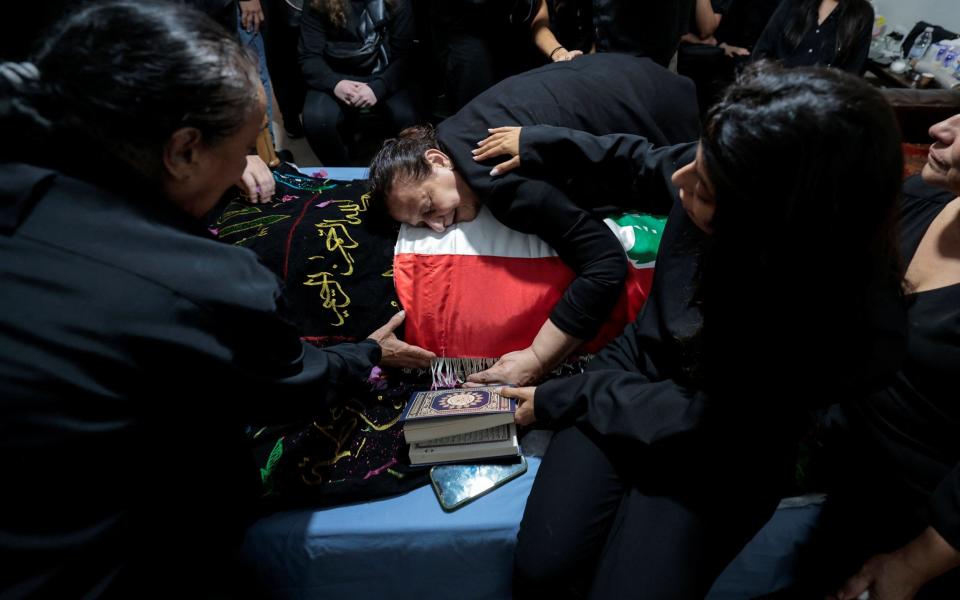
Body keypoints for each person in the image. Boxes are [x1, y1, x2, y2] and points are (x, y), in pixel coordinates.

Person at [0, 3, 433, 597]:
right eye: (246, 143)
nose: (250, 162)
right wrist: (366, 353)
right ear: (182, 151)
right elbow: (292, 385)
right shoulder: (205, 283)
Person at [474, 64, 906, 598]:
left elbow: (702, 420)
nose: (681, 182)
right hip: (637, 369)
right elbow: (640, 163)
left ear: (772, 229)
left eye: (704, 188)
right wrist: (541, 142)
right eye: (698, 157)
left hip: (725, 446)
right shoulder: (724, 170)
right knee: (543, 566)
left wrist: (560, 397)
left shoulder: (842, 330)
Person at [368, 52, 700, 385]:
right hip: (635, 73)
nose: (438, 226)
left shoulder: (498, 180)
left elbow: (605, 263)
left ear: (437, 159)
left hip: (667, 121)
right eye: (421, 224)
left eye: (428, 208)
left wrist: (537, 358)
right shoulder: (454, 130)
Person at [784, 113, 960, 600]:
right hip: (827, 457)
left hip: (902, 519)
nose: (940, 129)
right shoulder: (925, 201)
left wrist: (915, 563)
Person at [299, 0, 423, 165]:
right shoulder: (318, 3)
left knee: (408, 116)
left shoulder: (397, 3)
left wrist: (379, 87)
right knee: (316, 119)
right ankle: (343, 176)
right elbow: (309, 56)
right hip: (336, 72)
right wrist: (336, 83)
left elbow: (405, 56)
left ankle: (401, 171)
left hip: (384, 70)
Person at [751, 0, 874, 74]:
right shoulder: (793, 3)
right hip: (777, 90)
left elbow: (854, 70)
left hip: (821, 102)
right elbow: (762, 50)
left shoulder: (863, 13)